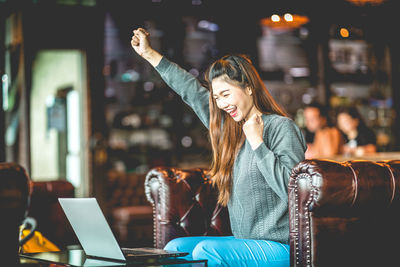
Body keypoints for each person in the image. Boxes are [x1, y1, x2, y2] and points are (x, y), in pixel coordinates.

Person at [131, 27, 306, 267]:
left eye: (226, 94)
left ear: (248, 87)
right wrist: (149, 54)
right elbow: (190, 90)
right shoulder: (230, 129)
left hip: (282, 247)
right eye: (216, 98)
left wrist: (257, 142)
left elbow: (293, 190)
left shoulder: (281, 128)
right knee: (174, 250)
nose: (222, 104)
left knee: (207, 250)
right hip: (245, 242)